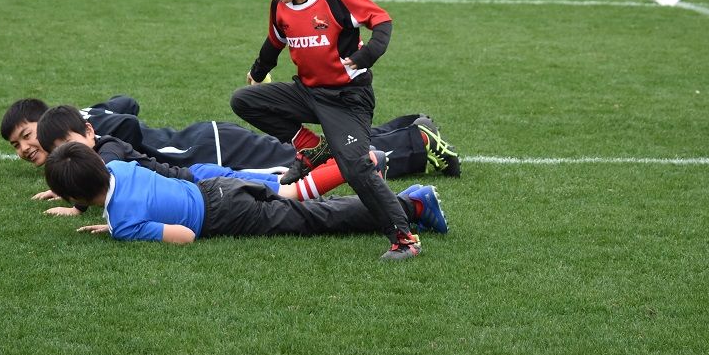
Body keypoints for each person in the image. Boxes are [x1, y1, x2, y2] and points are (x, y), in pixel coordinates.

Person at [230, 0, 422, 260]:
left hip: (348, 100)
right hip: (307, 93)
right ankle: (311, 147)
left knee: (355, 167)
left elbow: (382, 21)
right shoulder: (279, 6)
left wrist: (366, 55)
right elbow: (274, 43)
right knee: (244, 101)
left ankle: (405, 240)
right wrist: (258, 72)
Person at [43, 142, 448, 246]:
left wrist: (121, 232)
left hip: (224, 216)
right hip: (218, 186)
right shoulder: (117, 167)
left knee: (312, 218)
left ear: (75, 195)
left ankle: (410, 206)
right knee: (303, 202)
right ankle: (401, 200)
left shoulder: (125, 222)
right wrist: (114, 223)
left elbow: (184, 236)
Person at [0, 95, 460, 177]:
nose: (25, 148)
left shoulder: (93, 134)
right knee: (310, 152)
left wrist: (79, 165)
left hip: (219, 151)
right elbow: (127, 102)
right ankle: (408, 125)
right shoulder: (85, 118)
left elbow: (127, 125)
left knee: (313, 163)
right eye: (17, 145)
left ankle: (417, 148)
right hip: (212, 141)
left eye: (27, 136)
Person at [35, 104, 386, 210]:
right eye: (60, 152)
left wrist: (73, 187)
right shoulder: (99, 154)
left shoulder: (109, 150)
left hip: (202, 181)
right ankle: (357, 165)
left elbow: (104, 175)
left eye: (70, 144)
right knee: (283, 189)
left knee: (286, 191)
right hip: (199, 180)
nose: (70, 153)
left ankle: (359, 163)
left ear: (89, 132)